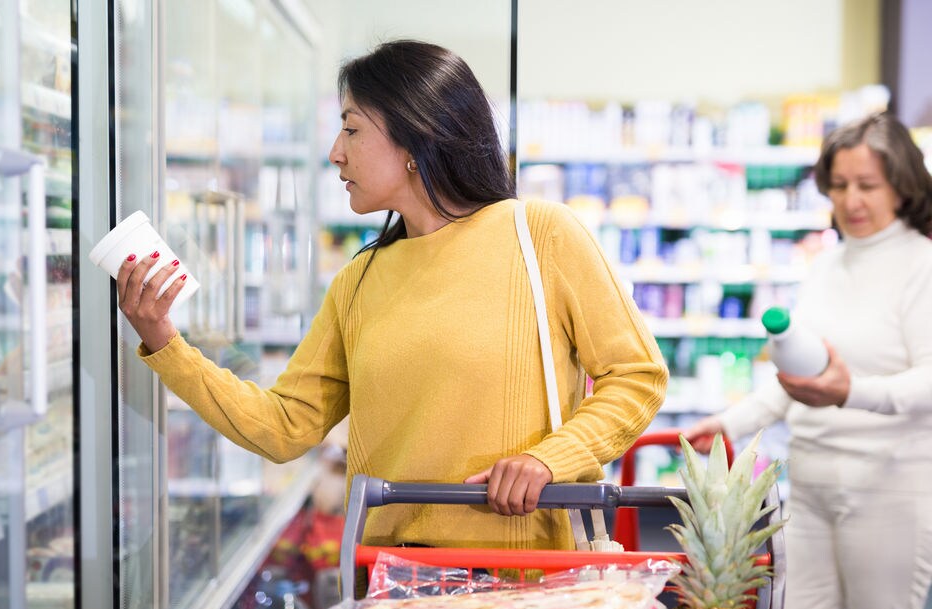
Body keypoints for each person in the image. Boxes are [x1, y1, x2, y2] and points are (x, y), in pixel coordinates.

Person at [115, 39, 667, 556]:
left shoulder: (541, 235)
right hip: (390, 581)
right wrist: (165, 341)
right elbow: (284, 428)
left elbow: (637, 374)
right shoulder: (359, 281)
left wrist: (549, 460)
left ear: (416, 135)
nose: (335, 153)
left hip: (524, 576)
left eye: (351, 129)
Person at [683, 111, 932, 609]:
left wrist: (852, 393)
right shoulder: (826, 266)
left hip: (891, 488)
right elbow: (797, 378)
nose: (851, 199)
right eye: (840, 184)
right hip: (813, 487)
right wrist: (732, 422)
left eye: (867, 184)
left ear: (903, 184)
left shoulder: (922, 265)